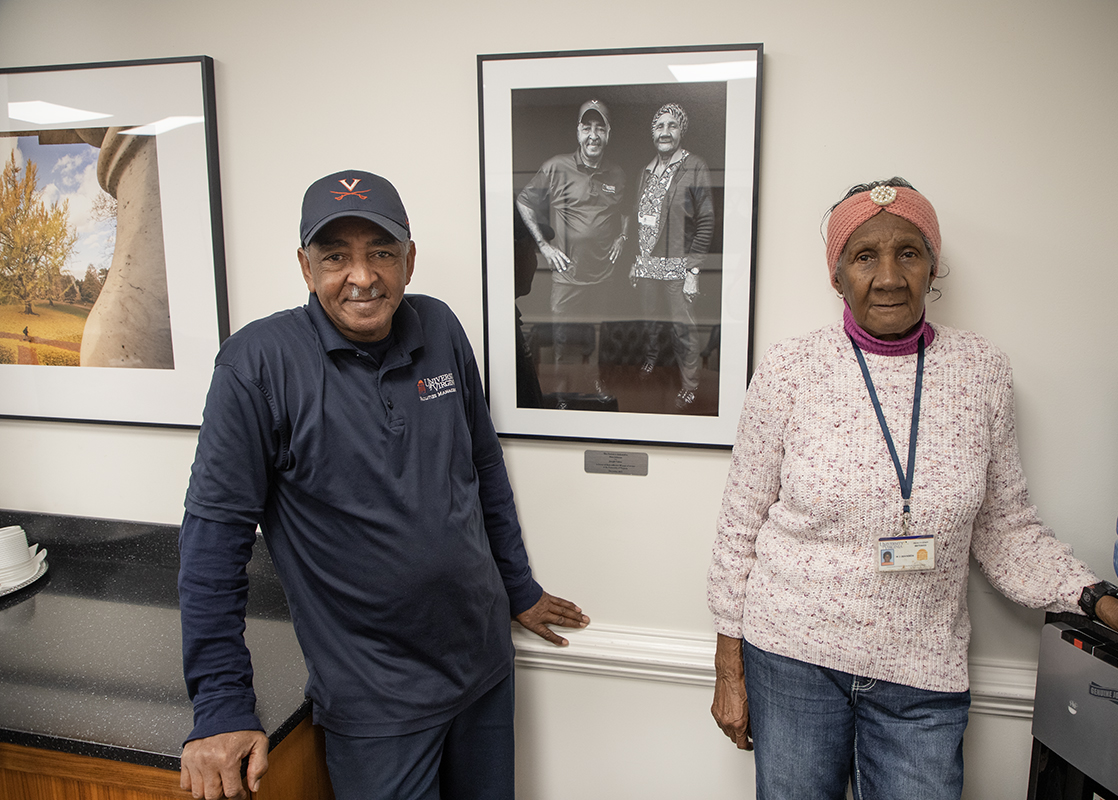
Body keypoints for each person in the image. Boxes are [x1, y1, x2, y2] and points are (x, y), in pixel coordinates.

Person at [707, 178, 1118, 800]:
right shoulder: (789, 369)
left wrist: (1112, 604)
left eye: (908, 253)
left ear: (933, 266)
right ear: (837, 276)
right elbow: (738, 525)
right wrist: (730, 666)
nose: (888, 276)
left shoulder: (981, 370)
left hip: (922, 670)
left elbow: (1007, 530)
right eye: (865, 256)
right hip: (792, 659)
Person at [178, 170, 589, 800]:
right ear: (305, 265)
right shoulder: (256, 365)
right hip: (376, 701)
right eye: (336, 256)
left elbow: (482, 470)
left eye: (382, 254)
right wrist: (222, 707)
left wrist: (518, 588)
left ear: (410, 260)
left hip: (483, 669)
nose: (363, 276)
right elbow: (213, 544)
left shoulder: (441, 328)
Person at [517, 100, 629, 391]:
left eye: (600, 128)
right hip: (568, 280)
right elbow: (524, 202)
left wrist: (623, 237)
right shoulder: (556, 167)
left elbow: (628, 210)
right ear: (578, 132)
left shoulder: (617, 173)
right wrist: (544, 245)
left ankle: (596, 394)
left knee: (602, 345)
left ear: (609, 133)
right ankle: (565, 399)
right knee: (565, 348)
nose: (593, 135)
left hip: (605, 279)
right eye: (587, 127)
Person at [629, 103, 715, 410]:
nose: (665, 132)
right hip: (647, 265)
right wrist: (636, 260)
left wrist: (693, 272)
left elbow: (706, 220)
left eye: (672, 126)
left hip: (679, 267)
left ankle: (690, 385)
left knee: (683, 330)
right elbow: (640, 218)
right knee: (651, 323)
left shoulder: (695, 166)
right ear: (653, 133)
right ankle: (652, 362)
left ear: (682, 131)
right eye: (659, 126)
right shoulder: (645, 171)